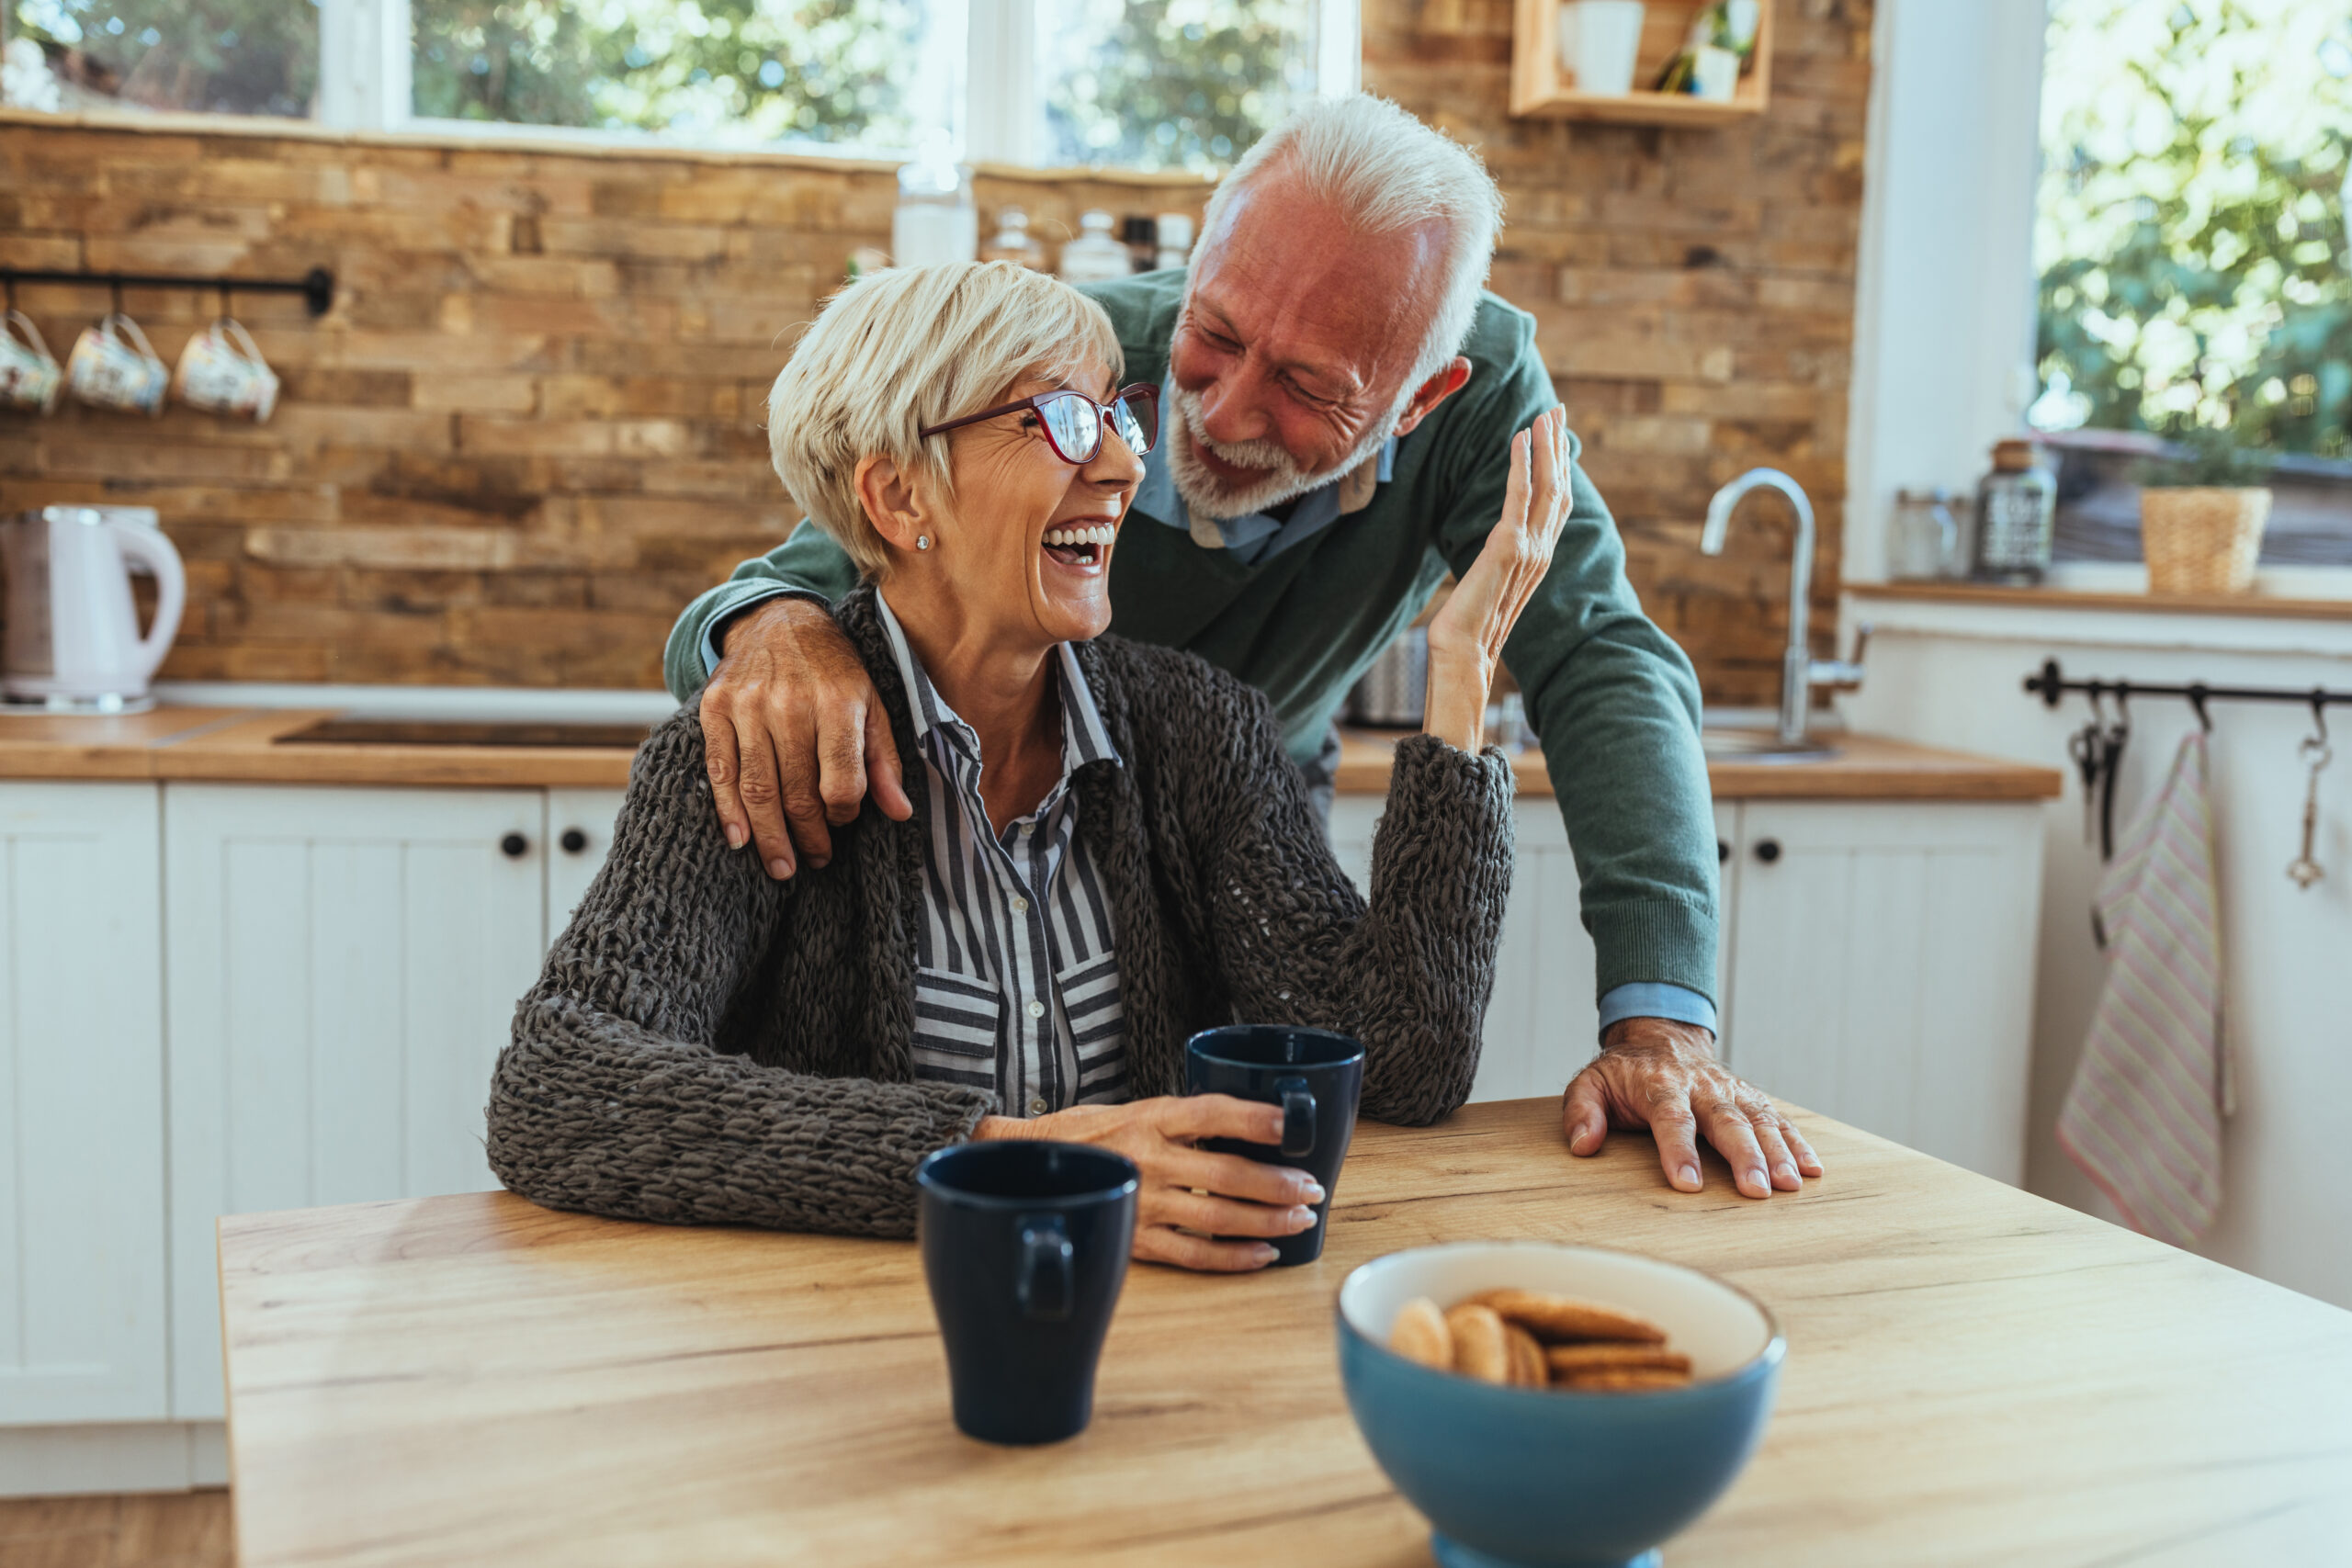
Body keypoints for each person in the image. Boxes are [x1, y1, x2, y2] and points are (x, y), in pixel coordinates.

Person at [664, 96, 1822, 1200]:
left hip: (1251, 809)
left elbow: (1601, 660)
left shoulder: (1483, 410)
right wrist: (773, 628)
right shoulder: (1080, 365)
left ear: (1420, 402)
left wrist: (1660, 1024)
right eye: (1210, 336)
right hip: (972, 805)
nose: (1217, 414)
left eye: (1309, 388)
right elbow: (795, 579)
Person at [489, 259, 1565, 1269]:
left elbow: (1403, 1059)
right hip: (833, 1352)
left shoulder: (1199, 733)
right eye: (1056, 418)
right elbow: (559, 1089)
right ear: (900, 496)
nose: (1119, 464)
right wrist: (1019, 1160)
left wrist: (1461, 670)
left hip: (1146, 1342)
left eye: (1113, 414)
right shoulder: (752, 757)